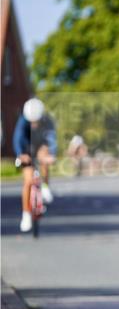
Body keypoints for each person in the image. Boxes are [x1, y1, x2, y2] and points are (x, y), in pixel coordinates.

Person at [14, 98, 57, 233]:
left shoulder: (47, 121)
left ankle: (45, 186)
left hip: (40, 146)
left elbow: (51, 139)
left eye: (36, 121)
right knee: (28, 181)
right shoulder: (22, 121)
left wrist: (51, 155)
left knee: (44, 157)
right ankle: (26, 214)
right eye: (30, 121)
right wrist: (21, 154)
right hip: (27, 149)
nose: (33, 124)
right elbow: (17, 139)